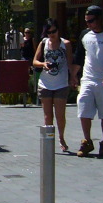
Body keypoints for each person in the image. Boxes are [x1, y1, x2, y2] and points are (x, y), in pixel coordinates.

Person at [69, 5, 103, 158]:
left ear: (100, 19)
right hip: (88, 78)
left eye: (91, 21)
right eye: (86, 21)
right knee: (83, 108)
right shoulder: (85, 35)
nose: (88, 24)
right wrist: (73, 76)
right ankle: (87, 141)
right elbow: (79, 57)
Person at [32, 19, 70, 153]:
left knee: (60, 115)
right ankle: (49, 140)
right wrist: (43, 64)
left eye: (54, 31)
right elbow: (35, 61)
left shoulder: (65, 44)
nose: (52, 34)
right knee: (47, 116)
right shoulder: (43, 43)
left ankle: (61, 138)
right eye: (49, 32)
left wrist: (74, 78)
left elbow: (70, 63)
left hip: (61, 83)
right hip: (45, 83)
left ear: (58, 30)